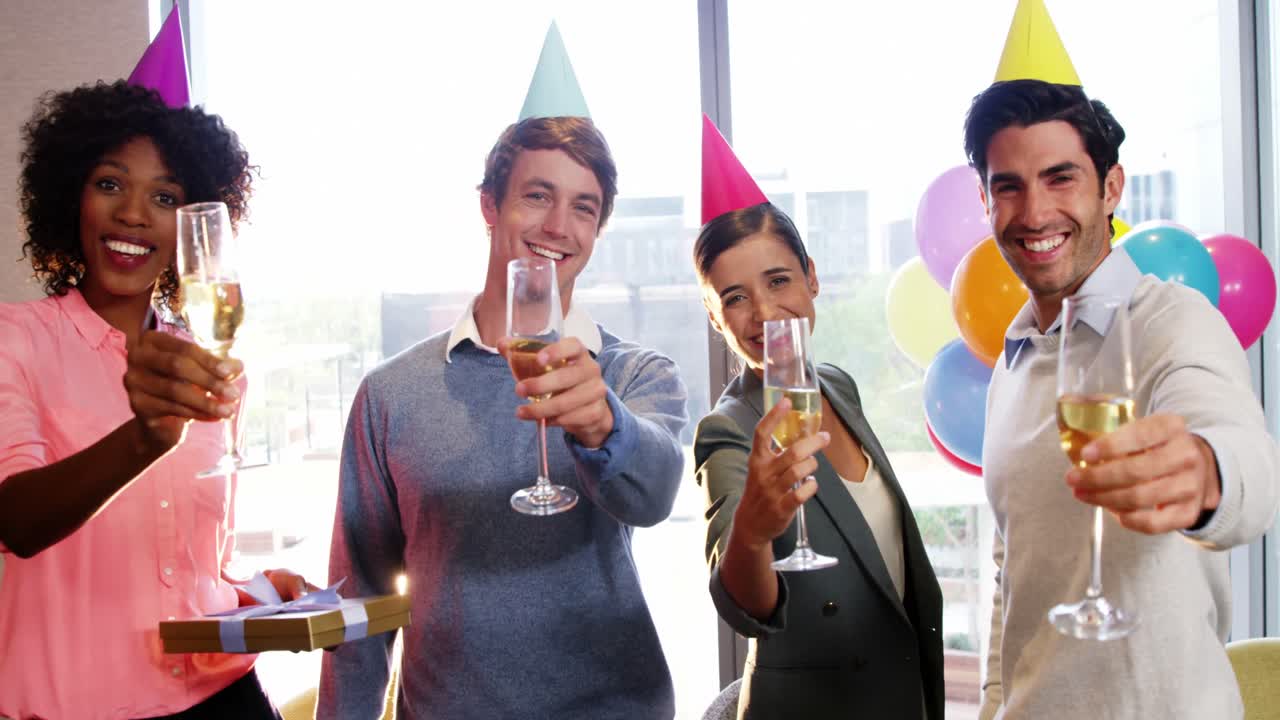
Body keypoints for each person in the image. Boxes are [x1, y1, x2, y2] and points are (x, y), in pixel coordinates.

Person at [317, 111, 690, 718]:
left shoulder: (634, 375)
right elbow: (359, 600)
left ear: (598, 229)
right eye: (537, 196)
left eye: (584, 208)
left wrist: (603, 423)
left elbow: (653, 494)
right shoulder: (390, 394)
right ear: (489, 205)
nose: (558, 226)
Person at [965, 78, 1280, 719]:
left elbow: (1247, 462)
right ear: (986, 200)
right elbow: (1012, 564)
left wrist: (1205, 470)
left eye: (1061, 178)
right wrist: (997, 706)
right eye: (1008, 186)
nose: (1033, 213)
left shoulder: (1173, 321)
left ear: (1110, 188)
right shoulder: (1012, 359)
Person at [0, 80, 307, 720]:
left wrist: (261, 594)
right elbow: (14, 521)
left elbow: (200, 569)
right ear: (71, 198)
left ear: (188, 227)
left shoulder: (207, 368)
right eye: (110, 184)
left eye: (164, 197)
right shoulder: (14, 340)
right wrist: (145, 438)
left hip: (228, 701)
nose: (134, 214)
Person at [692, 117, 943, 720]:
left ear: (811, 279)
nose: (763, 312)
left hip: (903, 690)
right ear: (715, 317)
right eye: (734, 297)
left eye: (778, 280)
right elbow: (743, 604)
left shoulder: (837, 385)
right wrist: (753, 528)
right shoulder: (727, 429)